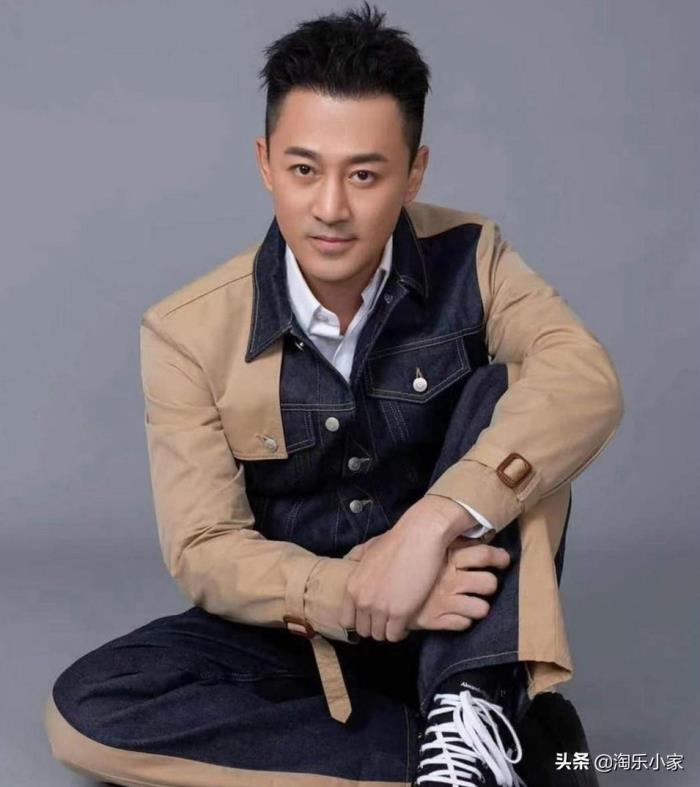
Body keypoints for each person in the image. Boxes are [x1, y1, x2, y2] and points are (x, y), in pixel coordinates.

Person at [43, 3, 624, 786]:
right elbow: (205, 546)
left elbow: (583, 378)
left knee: (519, 393)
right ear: (265, 163)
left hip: (462, 614)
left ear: (414, 171)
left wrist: (429, 527)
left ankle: (470, 704)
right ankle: (475, 751)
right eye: (304, 170)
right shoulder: (186, 331)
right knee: (88, 707)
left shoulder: (474, 258)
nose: (330, 208)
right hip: (304, 631)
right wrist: (355, 591)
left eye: (365, 174)